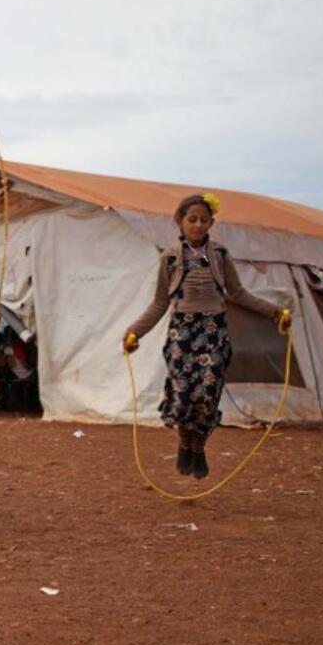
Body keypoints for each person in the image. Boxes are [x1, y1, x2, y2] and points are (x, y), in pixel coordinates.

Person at [123, 193, 289, 478]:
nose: (198, 225)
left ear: (211, 222)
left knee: (208, 394)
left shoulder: (220, 255)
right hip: (182, 333)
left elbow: (238, 293)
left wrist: (274, 312)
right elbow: (160, 302)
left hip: (213, 332)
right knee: (185, 394)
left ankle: (198, 446)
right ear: (179, 221)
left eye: (204, 220)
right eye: (192, 219)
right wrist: (135, 332)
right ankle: (184, 443)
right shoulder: (171, 257)